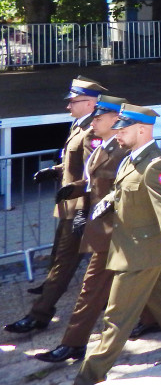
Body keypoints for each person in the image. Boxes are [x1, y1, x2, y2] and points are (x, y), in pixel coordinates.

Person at [74, 104, 161, 385]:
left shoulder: (156, 165)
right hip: (134, 249)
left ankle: (87, 377)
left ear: (142, 130)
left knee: (116, 318)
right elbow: (123, 190)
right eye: (117, 128)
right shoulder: (130, 158)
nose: (117, 134)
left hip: (140, 253)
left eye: (123, 129)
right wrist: (106, 203)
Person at [34, 95, 141, 363]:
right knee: (156, 288)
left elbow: (127, 191)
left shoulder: (125, 152)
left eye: (98, 117)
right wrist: (76, 187)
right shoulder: (102, 147)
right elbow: (94, 180)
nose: (93, 121)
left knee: (91, 287)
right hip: (103, 227)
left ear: (116, 120)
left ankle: (73, 343)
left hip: (118, 230)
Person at [6, 77, 106, 335]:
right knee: (68, 256)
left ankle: (40, 314)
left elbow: (94, 173)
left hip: (81, 207)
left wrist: (85, 211)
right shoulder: (79, 125)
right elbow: (75, 164)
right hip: (69, 204)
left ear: (90, 103)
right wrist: (55, 170)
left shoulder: (93, 131)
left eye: (73, 101)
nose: (68, 106)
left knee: (66, 260)